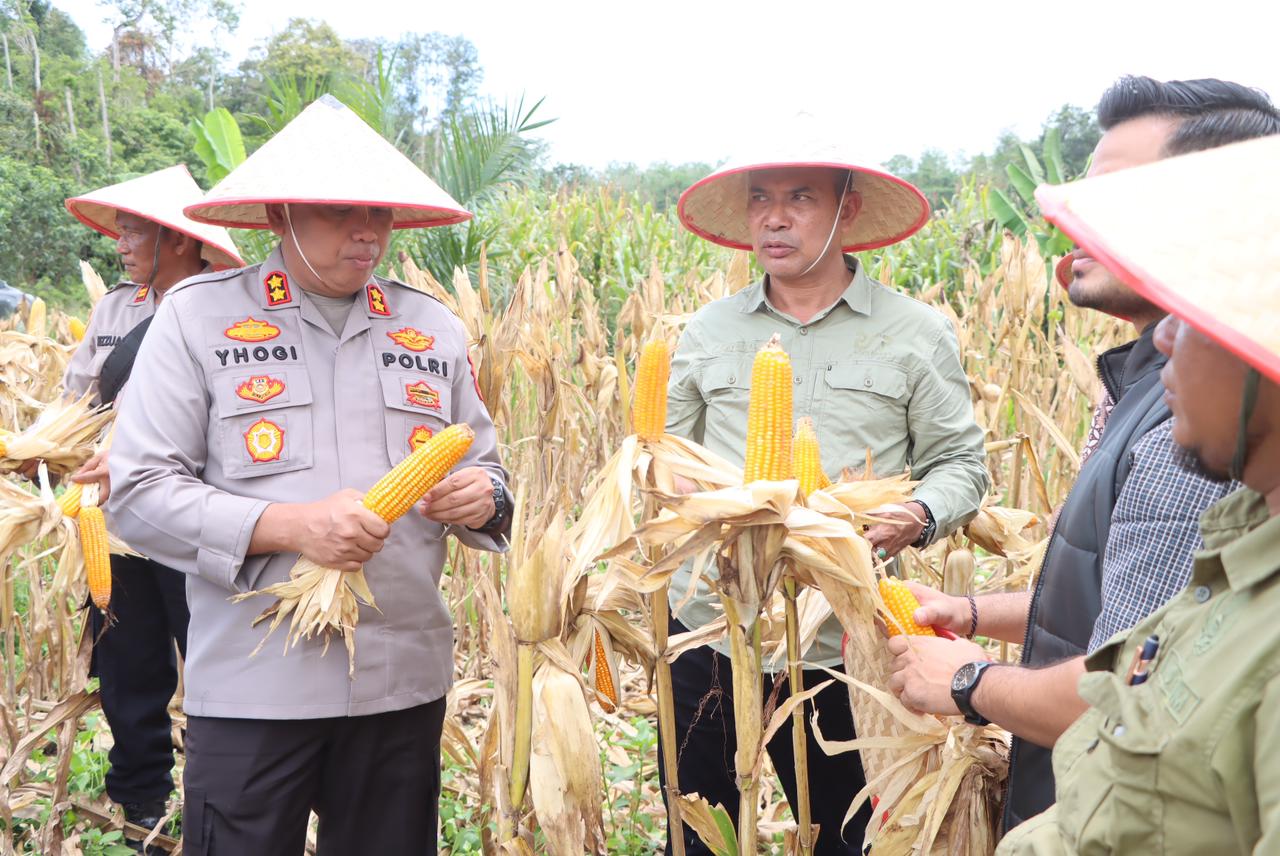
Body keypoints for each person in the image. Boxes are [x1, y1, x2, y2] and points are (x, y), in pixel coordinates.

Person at [106, 95, 510, 855]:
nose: (368, 230)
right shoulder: (198, 319)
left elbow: (491, 471)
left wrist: (483, 497)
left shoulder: (433, 326)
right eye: (339, 210)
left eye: (381, 212)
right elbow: (138, 496)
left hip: (401, 679)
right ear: (282, 212)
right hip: (256, 684)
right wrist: (293, 527)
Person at [882, 76, 1280, 831]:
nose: (1082, 226)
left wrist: (968, 682)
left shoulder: (1193, 435)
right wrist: (971, 611)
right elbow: (1132, 617)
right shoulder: (1152, 389)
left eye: (1120, 200)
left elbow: (1132, 689)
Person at [662, 121, 990, 853]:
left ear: (848, 211)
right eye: (760, 200)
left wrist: (914, 514)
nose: (774, 218)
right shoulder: (707, 332)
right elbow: (663, 453)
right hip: (709, 625)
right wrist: (685, 492)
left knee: (851, 836)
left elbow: (962, 466)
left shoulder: (913, 333)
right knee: (700, 835)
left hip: (846, 643)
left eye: (800, 199)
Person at [997, 127, 1280, 856]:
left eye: (1193, 310)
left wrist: (971, 685)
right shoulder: (1238, 547)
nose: (1162, 338)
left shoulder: (1180, 467)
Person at [61, 165, 244, 851]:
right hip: (114, 525)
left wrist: (141, 459)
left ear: (177, 237)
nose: (121, 241)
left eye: (134, 228)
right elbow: (79, 400)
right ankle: (140, 809)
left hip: (194, 521)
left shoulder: (227, 314)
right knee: (129, 672)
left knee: (219, 663)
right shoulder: (115, 310)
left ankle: (222, 800)